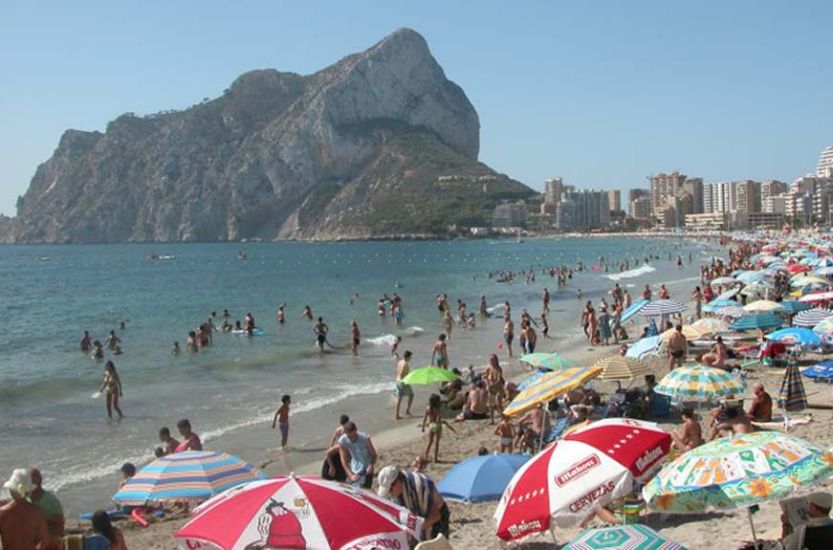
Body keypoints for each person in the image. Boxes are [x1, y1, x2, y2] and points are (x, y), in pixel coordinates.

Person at [377, 466, 450, 540]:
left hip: (437, 516)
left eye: (390, 490)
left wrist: (415, 531)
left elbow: (436, 516)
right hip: (418, 519)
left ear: (397, 483)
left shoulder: (420, 486)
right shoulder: (398, 491)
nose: (389, 494)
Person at [0, 469, 49, 550]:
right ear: (28, 491)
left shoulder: (2, 513)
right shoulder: (36, 512)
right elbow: (45, 540)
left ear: (12, 490)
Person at [27, 469, 63, 550]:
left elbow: (59, 526)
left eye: (34, 480)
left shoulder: (51, 501)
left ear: (40, 481)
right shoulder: (26, 500)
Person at [338, 422, 377, 488]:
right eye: (350, 437)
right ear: (345, 434)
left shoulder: (364, 438)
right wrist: (350, 475)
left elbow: (374, 455)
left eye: (354, 436)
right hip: (354, 469)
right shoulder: (342, 441)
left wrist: (371, 465)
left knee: (365, 491)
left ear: (356, 430)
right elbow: (343, 461)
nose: (352, 439)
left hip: (367, 469)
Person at [421, 394, 455, 463]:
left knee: (430, 442)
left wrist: (423, 427)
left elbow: (424, 419)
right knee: (437, 442)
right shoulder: (437, 409)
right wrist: (442, 422)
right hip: (437, 426)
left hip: (431, 425)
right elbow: (438, 419)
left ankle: (426, 455)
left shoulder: (428, 408)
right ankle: (435, 459)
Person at [484, 354, 505, 424]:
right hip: (491, 389)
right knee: (491, 405)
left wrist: (492, 385)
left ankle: (502, 417)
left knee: (498, 403)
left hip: (498, 388)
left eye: (493, 360)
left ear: (496, 360)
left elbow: (499, 380)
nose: (491, 361)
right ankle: (492, 420)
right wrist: (487, 383)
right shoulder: (488, 369)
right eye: (490, 360)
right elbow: (485, 377)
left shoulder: (499, 369)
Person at [395, 351, 414, 420]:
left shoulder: (400, 362)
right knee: (411, 395)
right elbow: (402, 373)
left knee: (399, 399)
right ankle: (408, 410)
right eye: (410, 357)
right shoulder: (405, 364)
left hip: (397, 380)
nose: (410, 358)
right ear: (408, 357)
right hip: (403, 381)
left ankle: (397, 415)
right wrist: (407, 377)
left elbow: (398, 371)